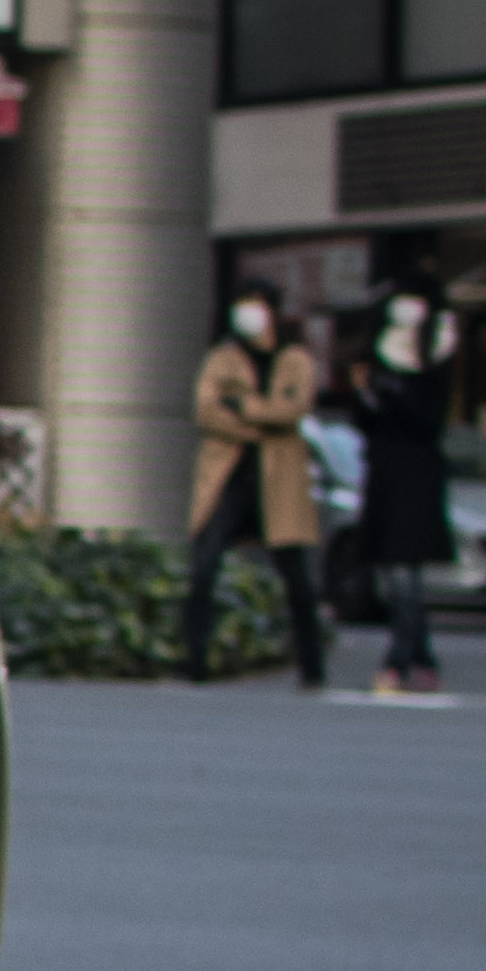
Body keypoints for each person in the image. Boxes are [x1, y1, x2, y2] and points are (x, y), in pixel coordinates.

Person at [185, 285, 328, 688]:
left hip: (278, 479)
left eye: (254, 306)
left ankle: (312, 667)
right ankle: (195, 661)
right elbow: (206, 411)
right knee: (204, 566)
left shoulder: (294, 358)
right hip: (229, 476)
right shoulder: (222, 357)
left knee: (296, 576)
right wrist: (262, 424)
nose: (246, 315)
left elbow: (294, 410)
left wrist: (244, 408)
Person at [356, 284, 461, 695]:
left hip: (416, 479)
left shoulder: (437, 354)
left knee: (405, 574)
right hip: (384, 475)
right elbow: (364, 419)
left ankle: (398, 661)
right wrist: (370, 397)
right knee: (396, 575)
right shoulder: (380, 353)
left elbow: (428, 420)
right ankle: (422, 658)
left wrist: (391, 397)